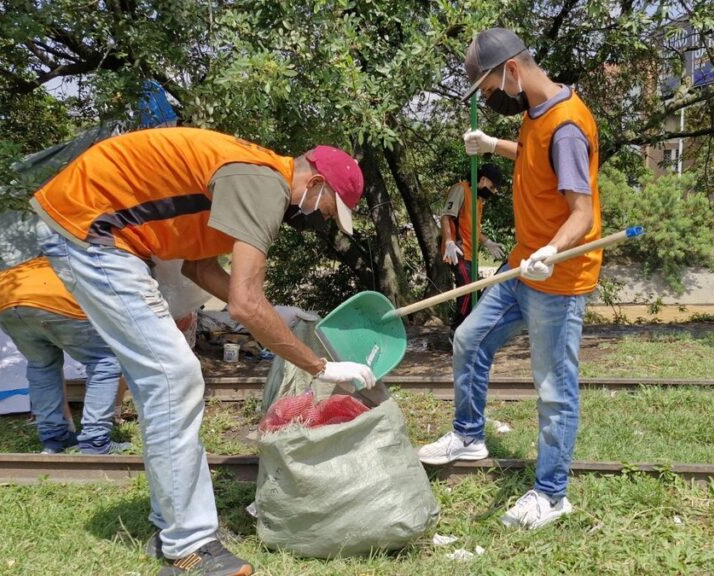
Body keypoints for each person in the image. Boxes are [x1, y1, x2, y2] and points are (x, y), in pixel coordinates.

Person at [31, 127, 376, 576]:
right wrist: (319, 365)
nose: (322, 222)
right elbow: (244, 303)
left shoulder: (249, 182)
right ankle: (188, 549)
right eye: (328, 212)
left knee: (164, 382)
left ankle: (172, 529)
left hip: (99, 228)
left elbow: (200, 267)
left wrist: (272, 317)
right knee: (175, 377)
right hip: (92, 226)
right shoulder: (263, 183)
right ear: (314, 185)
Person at [418, 28, 603, 530]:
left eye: (488, 88)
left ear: (513, 72)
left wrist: (551, 250)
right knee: (468, 339)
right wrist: (492, 143)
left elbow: (582, 213)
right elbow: (533, 158)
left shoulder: (566, 125)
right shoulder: (536, 113)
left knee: (553, 387)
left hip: (556, 276)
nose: (488, 97)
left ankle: (551, 494)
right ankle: (469, 435)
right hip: (522, 266)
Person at [0, 256, 131, 454]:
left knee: (41, 364)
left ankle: (55, 439)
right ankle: (95, 441)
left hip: (3, 296)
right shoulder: (97, 260)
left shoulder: (48, 259)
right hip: (52, 296)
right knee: (104, 362)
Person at [439, 163, 507, 336]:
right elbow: (446, 216)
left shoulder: (478, 200)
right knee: (468, 288)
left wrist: (487, 241)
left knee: (475, 292)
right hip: (457, 250)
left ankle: (467, 330)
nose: (493, 192)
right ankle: (457, 330)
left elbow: (473, 229)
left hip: (471, 253)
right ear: (482, 179)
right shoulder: (461, 189)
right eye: (492, 187)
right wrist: (449, 242)